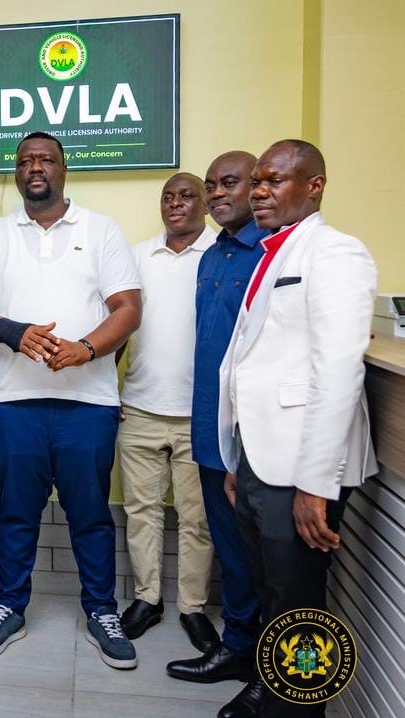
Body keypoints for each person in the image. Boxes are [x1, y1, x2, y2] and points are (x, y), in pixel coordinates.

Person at [0, 131, 142, 670]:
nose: (35, 167)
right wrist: (15, 333)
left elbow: (128, 308)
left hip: (88, 404)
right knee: (16, 514)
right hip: (14, 402)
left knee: (91, 515)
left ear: (64, 169)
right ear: (16, 172)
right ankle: (9, 608)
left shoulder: (101, 229)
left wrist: (85, 349)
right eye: (25, 160)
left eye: (46, 159)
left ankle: (102, 611)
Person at [216, 140, 376, 718]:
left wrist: (314, 484)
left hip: (300, 468)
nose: (260, 192)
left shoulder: (336, 252)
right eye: (257, 181)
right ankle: (270, 690)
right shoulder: (273, 252)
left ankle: (297, 710)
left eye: (275, 180)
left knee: (299, 606)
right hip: (260, 459)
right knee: (272, 592)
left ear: (315, 186)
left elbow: (337, 373)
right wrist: (237, 459)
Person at [165, 151, 267, 708]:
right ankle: (238, 649)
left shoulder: (273, 253)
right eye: (212, 185)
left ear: (258, 187)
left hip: (256, 438)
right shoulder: (212, 257)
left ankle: (272, 675)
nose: (217, 193)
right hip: (210, 430)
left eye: (230, 182)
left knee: (266, 561)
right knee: (231, 551)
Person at [117, 173, 219, 651]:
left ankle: (192, 608)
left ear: (206, 204)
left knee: (198, 520)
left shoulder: (222, 255)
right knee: (141, 511)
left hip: (200, 415)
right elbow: (117, 328)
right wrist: (107, 392)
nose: (175, 203)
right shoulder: (137, 256)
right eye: (168, 197)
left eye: (187, 196)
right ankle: (147, 599)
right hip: (139, 408)